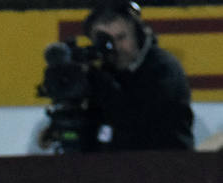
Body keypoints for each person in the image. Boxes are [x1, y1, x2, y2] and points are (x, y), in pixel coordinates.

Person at [78, 1, 194, 150]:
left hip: (165, 165)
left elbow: (141, 123)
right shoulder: (104, 71)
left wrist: (103, 86)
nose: (115, 47)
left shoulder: (162, 67)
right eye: (105, 41)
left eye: (121, 38)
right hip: (112, 168)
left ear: (137, 35)